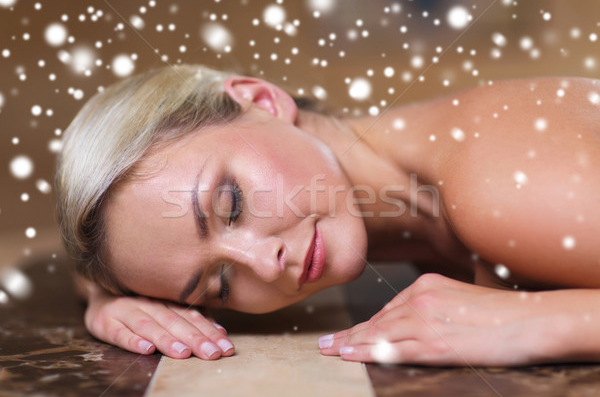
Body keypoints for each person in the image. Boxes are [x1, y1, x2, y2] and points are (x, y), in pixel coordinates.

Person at [56, 64, 600, 366]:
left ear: (263, 101)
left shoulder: (494, 186)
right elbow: (144, 241)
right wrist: (107, 292)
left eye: (232, 204)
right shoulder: (428, 196)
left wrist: (537, 325)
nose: (263, 265)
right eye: (219, 284)